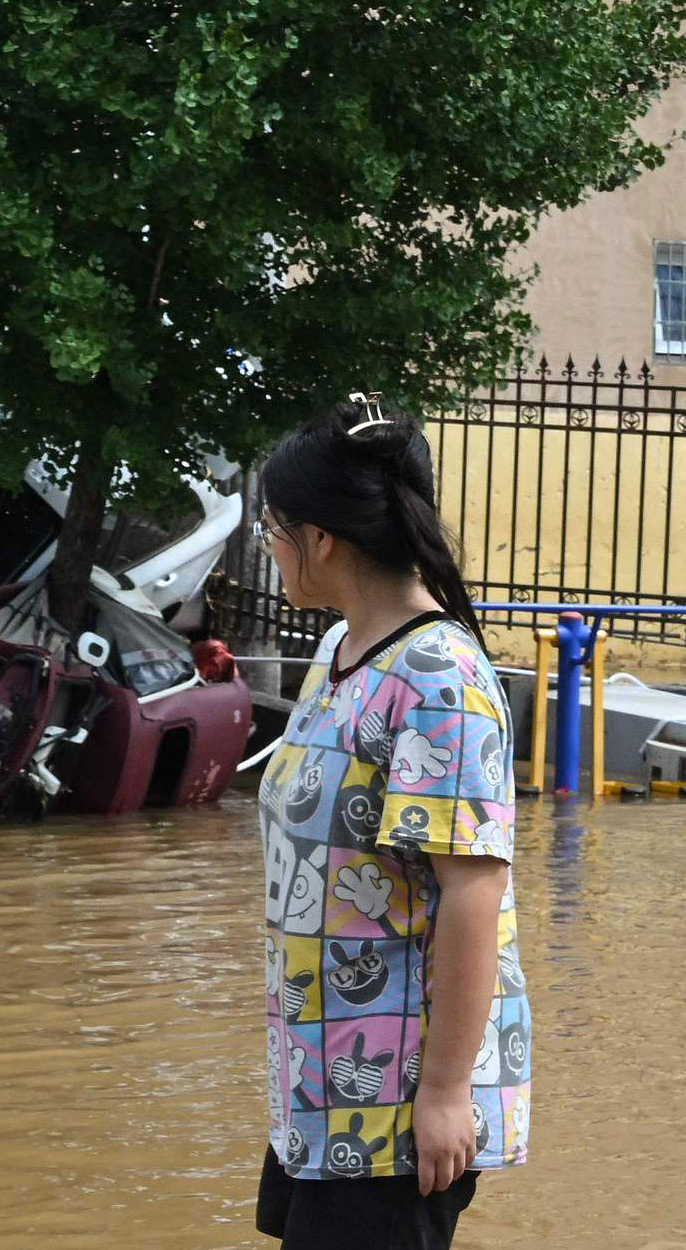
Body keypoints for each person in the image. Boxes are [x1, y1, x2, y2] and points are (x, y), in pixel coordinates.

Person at [251, 397, 531, 1249]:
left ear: (321, 540)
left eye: (273, 528)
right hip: (320, 1075)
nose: (267, 546)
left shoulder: (439, 679)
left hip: (397, 1100)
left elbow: (472, 896)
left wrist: (444, 1095)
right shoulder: (339, 659)